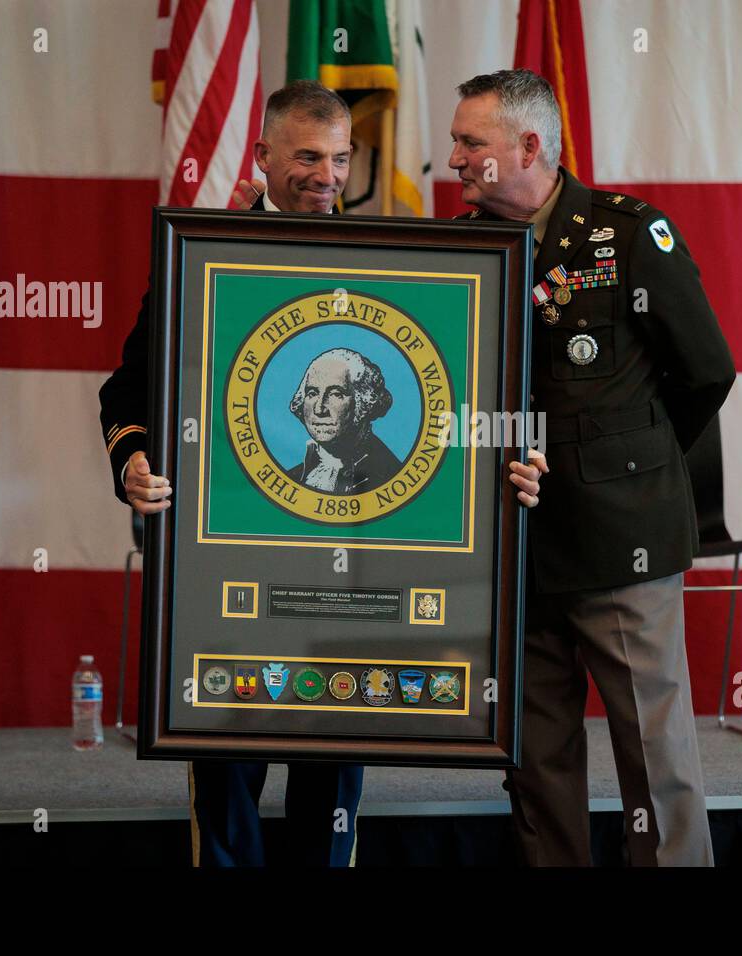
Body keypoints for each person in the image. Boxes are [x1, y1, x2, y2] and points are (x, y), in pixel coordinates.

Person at [106, 80, 547, 866]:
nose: (328, 175)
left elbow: (477, 406)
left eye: (342, 158)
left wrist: (518, 455)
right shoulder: (203, 252)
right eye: (308, 156)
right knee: (226, 781)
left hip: (355, 577)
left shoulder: (394, 264)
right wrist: (134, 461)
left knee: (333, 775)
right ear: (263, 155)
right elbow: (126, 391)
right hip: (229, 572)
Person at [446, 70, 737, 866]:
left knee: (654, 746)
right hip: (514, 542)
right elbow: (463, 399)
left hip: (622, 541)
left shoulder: (629, 233)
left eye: (471, 142)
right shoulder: (463, 246)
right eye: (457, 142)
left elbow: (706, 370)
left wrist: (625, 464)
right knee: (535, 756)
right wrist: (515, 446)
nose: (456, 158)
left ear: (529, 146)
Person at [287, 348, 401, 494]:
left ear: (364, 403)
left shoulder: (391, 477)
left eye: (336, 394)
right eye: (312, 393)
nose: (319, 409)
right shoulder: (292, 478)